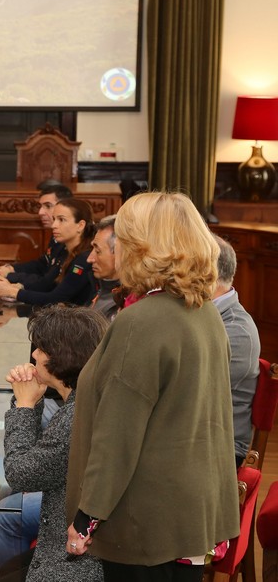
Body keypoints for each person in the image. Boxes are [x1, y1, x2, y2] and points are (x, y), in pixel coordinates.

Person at [65, 192, 239, 580]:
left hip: (145, 522)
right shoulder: (203, 311)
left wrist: (87, 517)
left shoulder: (143, 321)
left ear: (145, 247)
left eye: (125, 238)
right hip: (189, 514)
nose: (120, 248)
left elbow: (118, 434)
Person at [0, 305, 107, 582]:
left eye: (41, 349)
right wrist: (30, 402)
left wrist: (24, 405)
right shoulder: (87, 398)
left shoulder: (76, 415)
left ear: (62, 357)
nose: (34, 354)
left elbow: (21, 474)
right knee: (8, 570)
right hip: (69, 547)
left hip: (72, 564)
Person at [0, 198, 96, 307]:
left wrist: (12, 292)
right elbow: (47, 284)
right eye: (54, 219)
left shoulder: (84, 259)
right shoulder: (64, 250)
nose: (54, 225)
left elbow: (55, 298)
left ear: (80, 225)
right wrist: (13, 287)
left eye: (61, 220)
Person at [213, 234, 261, 467]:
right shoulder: (200, 313)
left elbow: (194, 390)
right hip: (193, 434)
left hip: (221, 447)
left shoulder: (237, 331)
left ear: (208, 274)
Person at [0, 183, 73, 290]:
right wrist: (12, 269)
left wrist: (11, 277)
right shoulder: (56, 233)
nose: (40, 212)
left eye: (48, 206)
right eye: (40, 206)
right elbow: (43, 264)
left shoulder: (69, 240)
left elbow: (49, 282)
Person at [87, 215, 122, 321]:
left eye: (98, 251)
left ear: (120, 253)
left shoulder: (123, 303)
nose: (89, 259)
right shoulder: (99, 285)